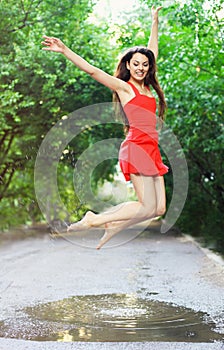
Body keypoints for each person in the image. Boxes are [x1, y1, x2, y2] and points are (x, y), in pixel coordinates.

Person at [42, 5, 168, 250]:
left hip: (151, 148)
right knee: (145, 206)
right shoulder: (125, 88)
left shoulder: (147, 87)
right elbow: (92, 70)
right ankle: (94, 219)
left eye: (145, 64)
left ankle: (114, 226)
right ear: (128, 66)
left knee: (159, 208)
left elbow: (153, 51)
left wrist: (155, 21)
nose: (141, 68)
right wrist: (65, 50)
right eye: (136, 64)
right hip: (136, 147)